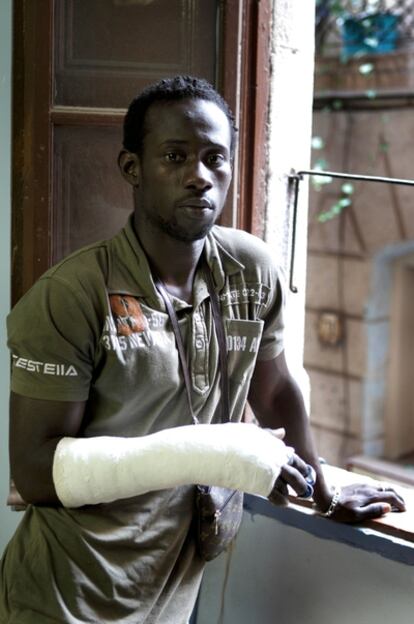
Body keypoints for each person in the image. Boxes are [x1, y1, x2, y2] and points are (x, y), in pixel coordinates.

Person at [0, 75, 405, 624]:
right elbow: (34, 472)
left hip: (174, 587)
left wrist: (322, 489)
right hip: (68, 595)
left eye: (216, 158)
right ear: (132, 169)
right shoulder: (70, 296)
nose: (199, 176)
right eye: (174, 156)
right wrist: (209, 451)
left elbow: (277, 389)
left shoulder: (251, 270)